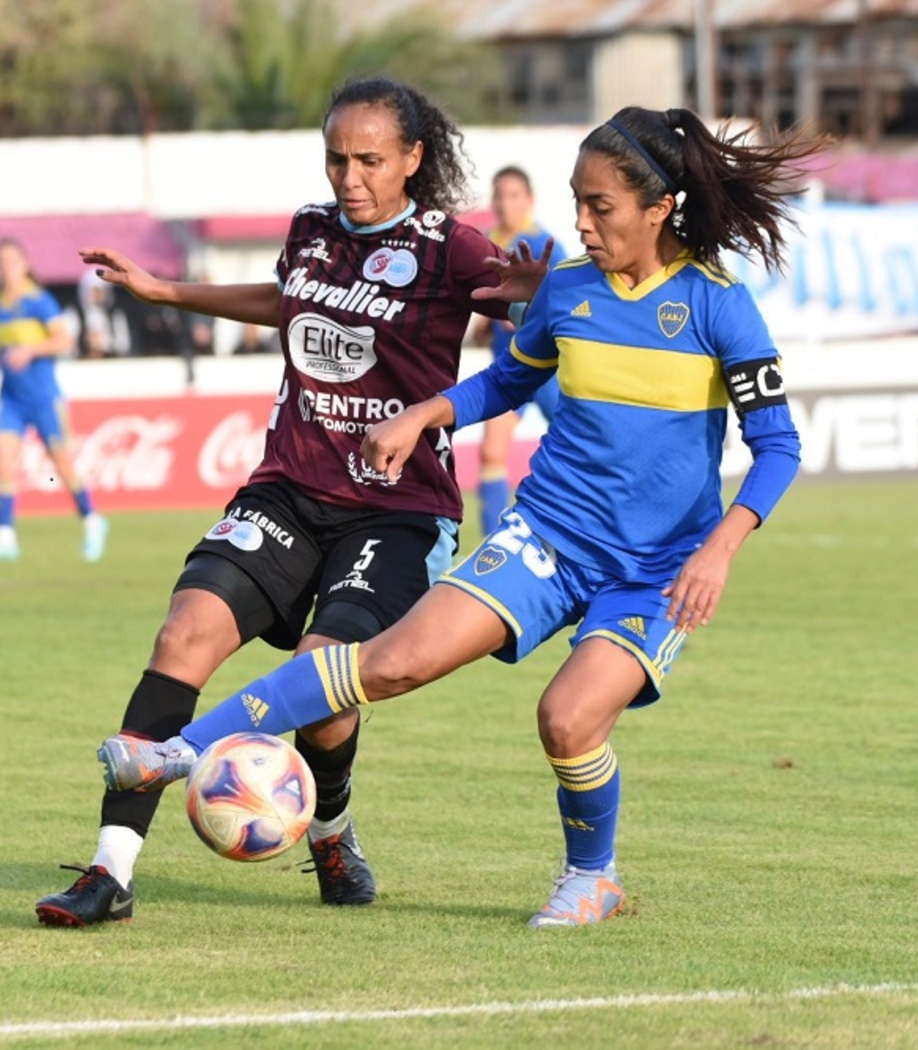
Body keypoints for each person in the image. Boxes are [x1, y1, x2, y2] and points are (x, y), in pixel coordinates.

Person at [97, 105, 821, 928]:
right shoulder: (569, 291)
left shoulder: (718, 306)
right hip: (546, 534)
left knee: (568, 718)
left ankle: (594, 877)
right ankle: (178, 753)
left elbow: (779, 446)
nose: (580, 224)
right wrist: (423, 415)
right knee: (391, 662)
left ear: (660, 208)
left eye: (601, 208)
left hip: (658, 567)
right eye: (576, 201)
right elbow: (508, 382)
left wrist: (720, 548)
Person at [37, 76, 548, 926]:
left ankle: (332, 832)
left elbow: (526, 302)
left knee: (322, 679)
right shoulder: (311, 230)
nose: (350, 176)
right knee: (183, 632)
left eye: (370, 160)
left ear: (413, 160)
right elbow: (287, 307)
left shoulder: (452, 247)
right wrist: (167, 293)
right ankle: (108, 873)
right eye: (337, 157)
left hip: (399, 508)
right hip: (289, 485)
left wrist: (543, 289)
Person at [0, 238, 108, 563]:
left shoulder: (39, 301)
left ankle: (92, 520)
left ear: (24, 264)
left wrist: (31, 350)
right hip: (12, 399)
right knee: (3, 462)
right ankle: (6, 533)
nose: (6, 267)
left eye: (11, 261)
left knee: (62, 464)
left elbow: (64, 339)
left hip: (45, 399)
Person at [474, 166, 567, 535]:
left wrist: (526, 316)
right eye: (500, 194)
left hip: (547, 372)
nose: (505, 203)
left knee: (573, 451)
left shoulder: (547, 245)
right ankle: (492, 548)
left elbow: (563, 305)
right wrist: (486, 325)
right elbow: (486, 310)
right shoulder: (485, 245)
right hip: (508, 372)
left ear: (529, 199)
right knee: (491, 454)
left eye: (514, 195)